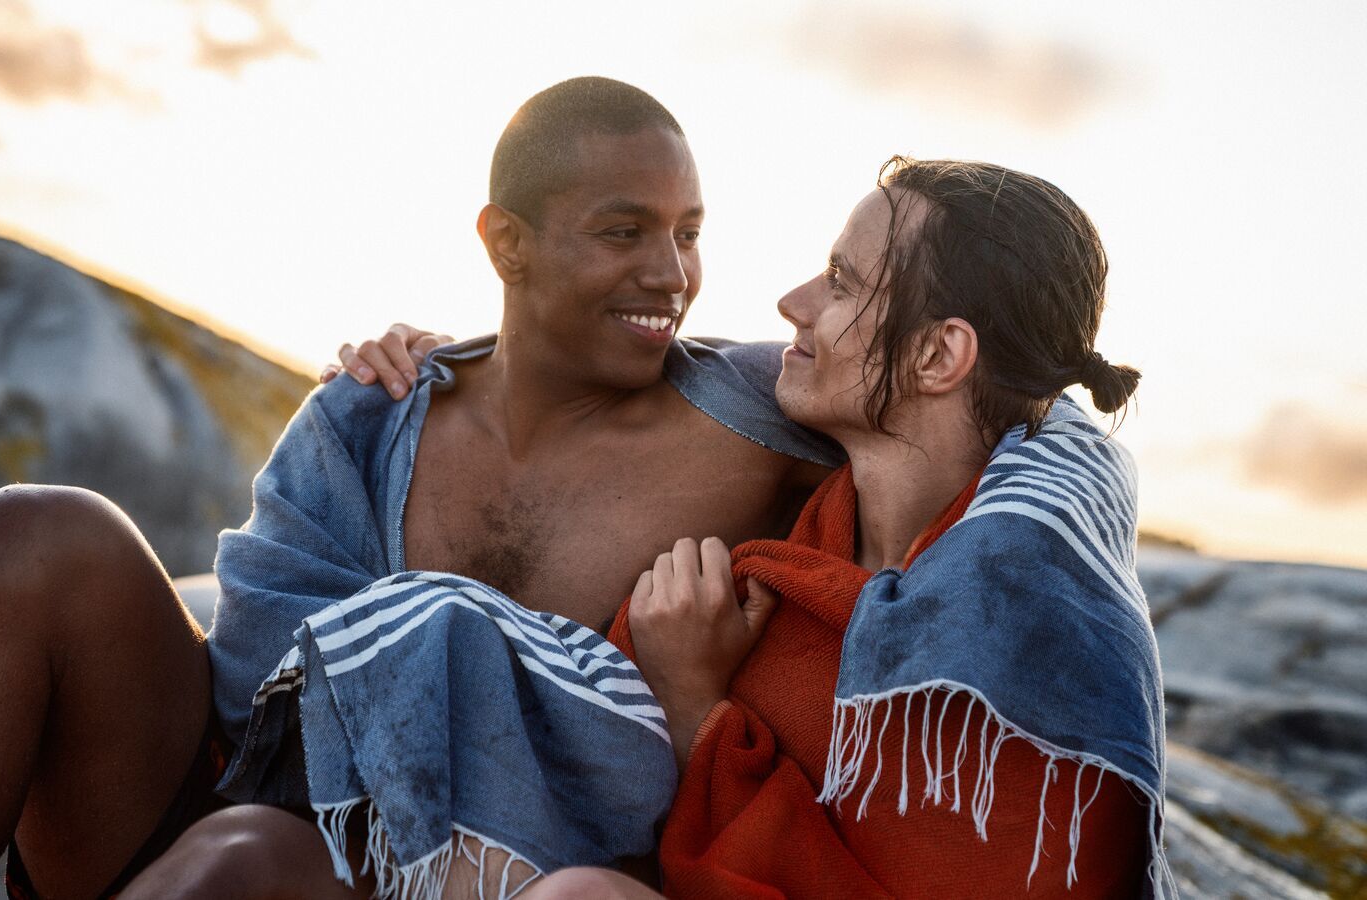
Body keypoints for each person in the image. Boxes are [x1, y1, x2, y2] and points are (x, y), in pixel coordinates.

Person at [0, 77, 840, 900]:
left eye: (689, 232)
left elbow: (940, 404)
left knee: (247, 859)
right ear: (505, 244)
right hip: (246, 810)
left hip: (520, 869)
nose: (671, 273)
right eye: (624, 233)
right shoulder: (375, 412)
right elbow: (251, 674)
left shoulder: (756, 415)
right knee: (34, 531)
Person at [338, 160, 1168, 898]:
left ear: (937, 357)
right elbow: (639, 381)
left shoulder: (1027, 654)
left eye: (841, 283)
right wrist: (457, 376)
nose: (794, 303)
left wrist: (697, 707)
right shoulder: (791, 551)